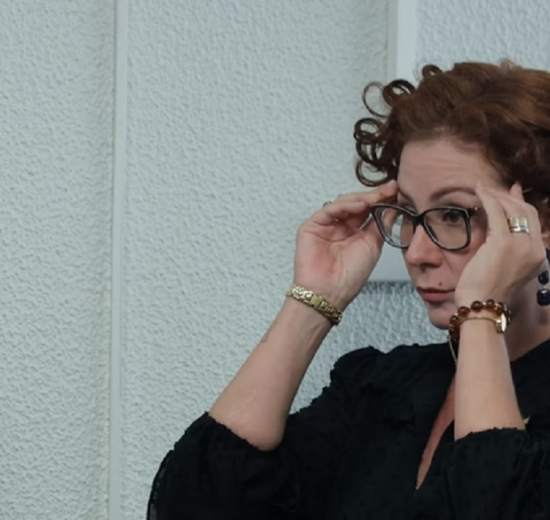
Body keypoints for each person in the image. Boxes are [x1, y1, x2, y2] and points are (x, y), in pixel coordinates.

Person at [147, 60, 550, 519]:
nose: (417, 252)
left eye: (453, 215)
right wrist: (314, 299)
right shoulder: (381, 389)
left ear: (541, 221)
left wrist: (481, 310)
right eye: (409, 215)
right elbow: (196, 503)